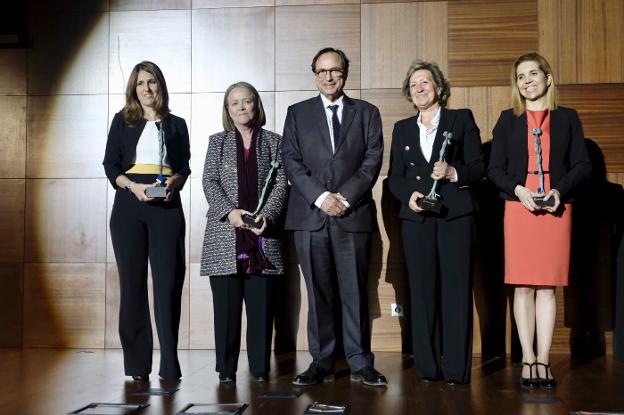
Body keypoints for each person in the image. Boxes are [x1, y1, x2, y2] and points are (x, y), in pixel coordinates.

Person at [282, 47, 386, 387]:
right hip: (310, 217)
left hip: (352, 216)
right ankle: (322, 361)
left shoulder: (367, 113)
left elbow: (372, 160)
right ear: (315, 75)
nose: (329, 76)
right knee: (319, 293)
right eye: (322, 71)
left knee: (355, 291)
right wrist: (322, 197)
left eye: (335, 70)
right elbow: (292, 163)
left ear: (346, 73)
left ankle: (359, 362)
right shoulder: (296, 113)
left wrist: (345, 197)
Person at [488, 52, 591, 389]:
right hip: (520, 208)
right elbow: (494, 170)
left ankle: (544, 360)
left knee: (547, 288)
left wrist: (560, 191)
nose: (527, 80)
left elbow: (582, 165)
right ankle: (527, 359)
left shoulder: (568, 118)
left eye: (533, 73)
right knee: (523, 286)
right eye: (521, 76)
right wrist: (518, 190)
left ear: (548, 78)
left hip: (556, 210)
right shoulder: (507, 120)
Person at [388, 60, 484, 385]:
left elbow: (478, 167)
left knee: (456, 292)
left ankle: (456, 370)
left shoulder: (461, 119)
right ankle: (428, 369)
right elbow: (395, 178)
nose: (419, 88)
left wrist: (453, 173)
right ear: (409, 94)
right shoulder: (402, 128)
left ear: (439, 88)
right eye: (413, 85)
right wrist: (409, 196)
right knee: (422, 293)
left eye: (425, 82)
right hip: (416, 219)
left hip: (455, 217)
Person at [103, 61, 190, 381]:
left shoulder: (177, 124)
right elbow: (110, 165)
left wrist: (175, 183)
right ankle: (137, 366)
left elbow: (184, 167)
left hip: (166, 208)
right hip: (129, 206)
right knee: (133, 286)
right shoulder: (122, 121)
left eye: (152, 82)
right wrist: (133, 187)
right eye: (141, 83)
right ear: (134, 88)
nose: (147, 89)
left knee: (168, 286)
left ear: (160, 86)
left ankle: (170, 363)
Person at [200, 81, 287, 384]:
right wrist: (231, 213)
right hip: (226, 235)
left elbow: (281, 184)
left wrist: (269, 214)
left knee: (262, 311)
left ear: (256, 105)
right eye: (234, 103)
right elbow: (209, 180)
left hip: (262, 236)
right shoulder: (217, 142)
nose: (241, 108)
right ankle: (226, 371)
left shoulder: (275, 142)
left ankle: (260, 370)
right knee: (226, 311)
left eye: (247, 101)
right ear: (228, 110)